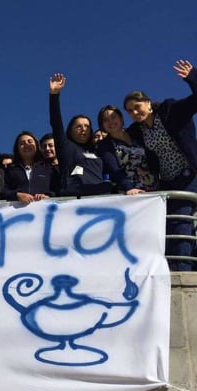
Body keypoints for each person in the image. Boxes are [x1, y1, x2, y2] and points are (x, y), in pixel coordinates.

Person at [124, 59, 197, 271]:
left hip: (188, 175)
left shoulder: (171, 110)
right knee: (165, 223)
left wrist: (192, 77)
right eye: (130, 111)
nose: (135, 113)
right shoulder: (138, 131)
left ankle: (182, 268)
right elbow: (120, 139)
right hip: (165, 181)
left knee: (182, 220)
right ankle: (170, 264)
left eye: (136, 107)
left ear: (147, 102)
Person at [49, 73, 111, 196]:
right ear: (70, 130)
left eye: (87, 126)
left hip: (99, 198)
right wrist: (54, 95)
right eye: (78, 126)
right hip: (73, 199)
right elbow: (56, 123)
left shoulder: (97, 150)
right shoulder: (66, 147)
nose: (83, 129)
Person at [96, 105, 158, 195]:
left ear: (121, 118)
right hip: (131, 193)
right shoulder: (105, 145)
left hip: (155, 188)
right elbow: (114, 169)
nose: (110, 122)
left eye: (113, 117)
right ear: (102, 125)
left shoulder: (136, 133)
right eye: (105, 120)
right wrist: (129, 188)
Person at [1, 131, 59, 203]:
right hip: (16, 212)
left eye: (30, 142)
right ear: (17, 149)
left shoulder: (49, 168)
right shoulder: (9, 170)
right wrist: (16, 195)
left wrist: (48, 195)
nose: (26, 145)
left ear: (36, 145)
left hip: (44, 210)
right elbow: (2, 190)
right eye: (22, 143)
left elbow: (59, 189)